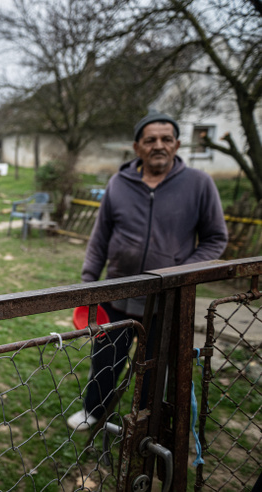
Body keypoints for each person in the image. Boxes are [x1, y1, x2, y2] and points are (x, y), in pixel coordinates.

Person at [67, 109, 228, 431]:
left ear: (177, 144)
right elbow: (100, 238)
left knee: (154, 367)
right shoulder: (119, 183)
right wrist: (88, 285)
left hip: (164, 300)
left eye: (166, 139)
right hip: (116, 294)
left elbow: (215, 238)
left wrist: (179, 274)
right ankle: (94, 411)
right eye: (150, 140)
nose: (159, 145)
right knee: (105, 360)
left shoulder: (199, 184)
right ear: (137, 147)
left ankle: (141, 421)